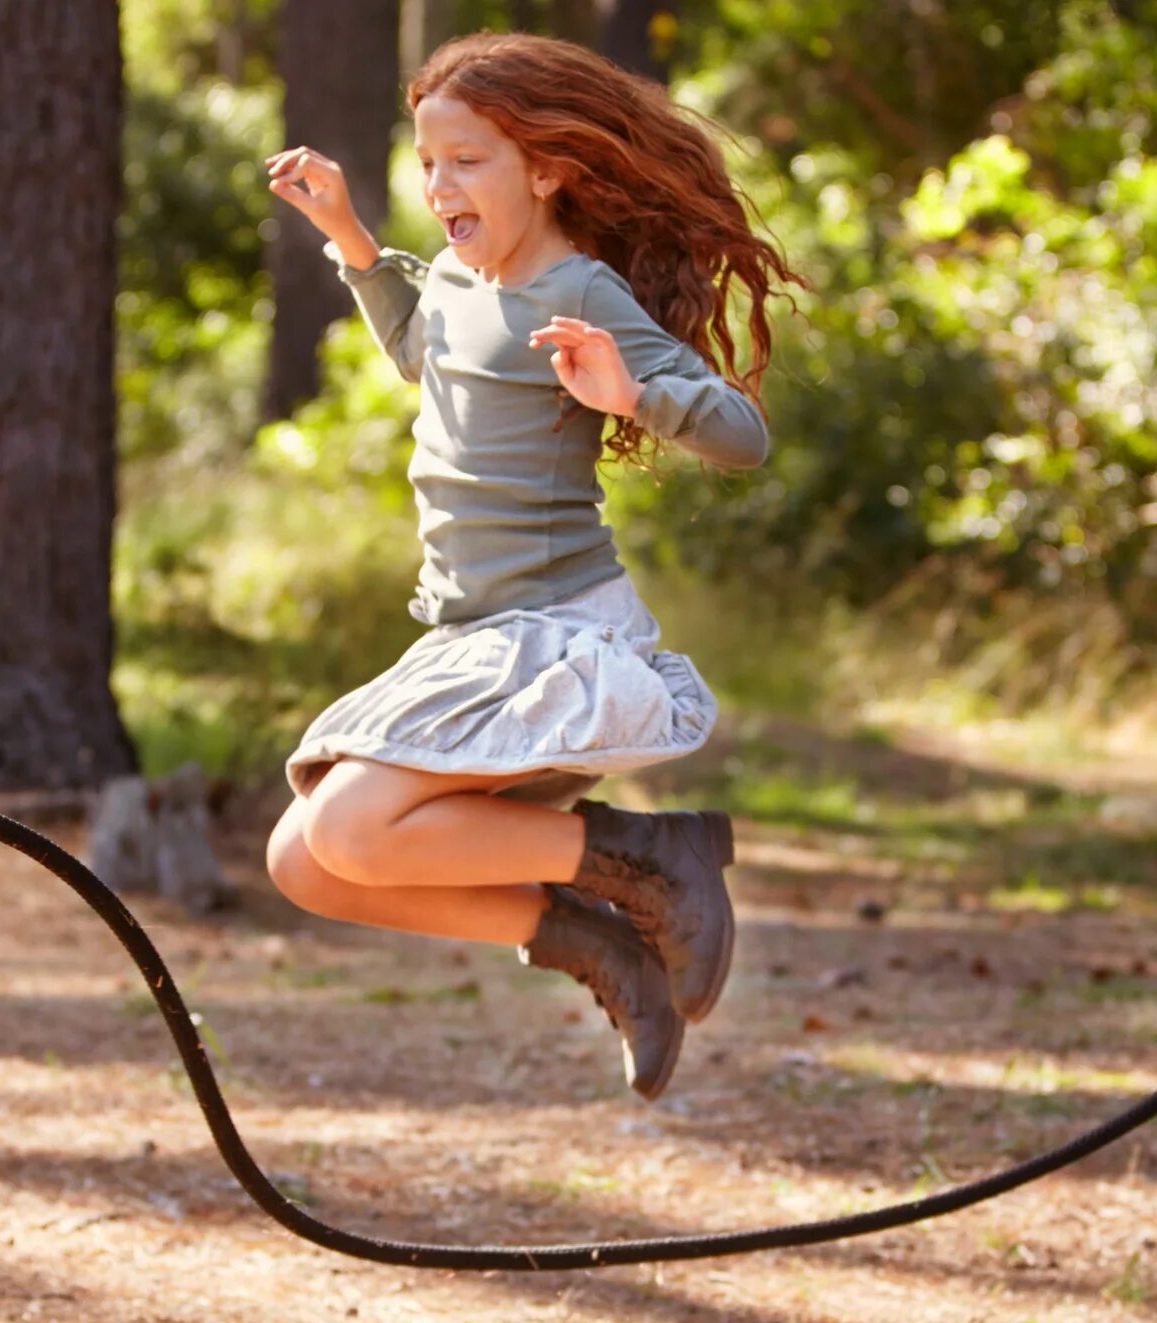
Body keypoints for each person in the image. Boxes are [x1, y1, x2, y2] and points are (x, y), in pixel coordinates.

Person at [262, 32, 799, 1099]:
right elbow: (428, 348)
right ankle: (598, 945)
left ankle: (653, 855)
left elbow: (743, 435)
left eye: (467, 160)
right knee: (305, 863)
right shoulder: (462, 275)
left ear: (545, 168)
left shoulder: (581, 291)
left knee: (350, 824)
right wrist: (353, 244)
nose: (439, 184)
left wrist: (630, 394)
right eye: (428, 162)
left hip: (552, 632)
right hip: (468, 634)